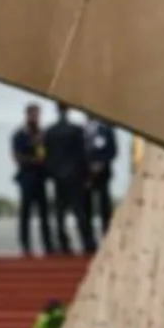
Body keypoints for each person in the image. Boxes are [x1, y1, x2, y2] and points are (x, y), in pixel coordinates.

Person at [42, 105, 95, 255]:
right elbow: (82, 155)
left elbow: (47, 157)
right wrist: (86, 175)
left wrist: (51, 174)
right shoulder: (76, 130)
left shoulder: (50, 132)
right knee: (80, 211)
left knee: (60, 213)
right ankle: (87, 243)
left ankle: (64, 245)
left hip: (58, 178)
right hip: (75, 177)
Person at [12, 103, 54, 257]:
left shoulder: (43, 135)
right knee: (25, 214)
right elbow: (17, 157)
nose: (35, 117)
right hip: (27, 179)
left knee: (44, 214)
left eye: (38, 114)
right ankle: (25, 245)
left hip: (41, 179)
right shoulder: (19, 135)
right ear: (27, 115)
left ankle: (48, 245)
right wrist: (34, 160)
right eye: (33, 114)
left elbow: (46, 156)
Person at [86, 116, 120, 233]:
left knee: (104, 205)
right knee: (87, 206)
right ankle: (89, 238)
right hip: (86, 175)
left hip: (103, 174)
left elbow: (113, 151)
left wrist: (101, 163)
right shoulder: (81, 131)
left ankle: (106, 232)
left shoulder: (106, 130)